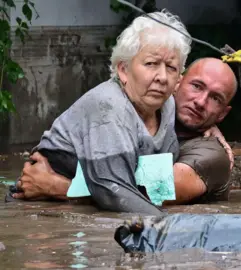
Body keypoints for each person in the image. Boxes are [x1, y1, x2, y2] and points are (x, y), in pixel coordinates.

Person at [7, 10, 192, 214]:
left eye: (171, 68)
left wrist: (60, 188)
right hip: (40, 209)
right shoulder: (109, 105)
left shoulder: (167, 106)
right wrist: (173, 229)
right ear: (123, 70)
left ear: (179, 80)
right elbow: (114, 191)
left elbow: (152, 190)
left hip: (73, 199)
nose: (162, 77)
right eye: (151, 64)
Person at [10, 57, 238, 206]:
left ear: (223, 114)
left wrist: (57, 187)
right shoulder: (138, 112)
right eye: (196, 86)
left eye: (215, 98)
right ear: (176, 83)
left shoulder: (212, 155)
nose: (200, 101)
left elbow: (151, 192)